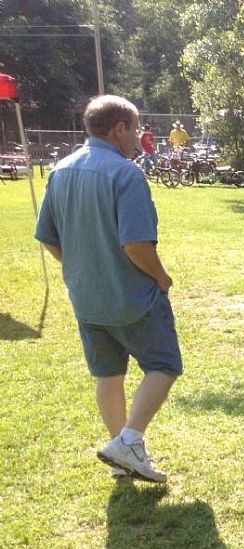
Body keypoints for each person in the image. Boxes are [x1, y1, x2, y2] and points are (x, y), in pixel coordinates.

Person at [34, 95, 182, 483]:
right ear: (119, 129)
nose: (139, 137)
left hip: (86, 297)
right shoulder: (126, 174)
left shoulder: (60, 170)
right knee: (164, 365)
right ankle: (129, 441)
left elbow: (47, 236)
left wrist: (81, 267)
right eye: (135, 129)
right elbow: (136, 245)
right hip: (130, 297)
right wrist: (161, 278)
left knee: (108, 374)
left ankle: (121, 452)